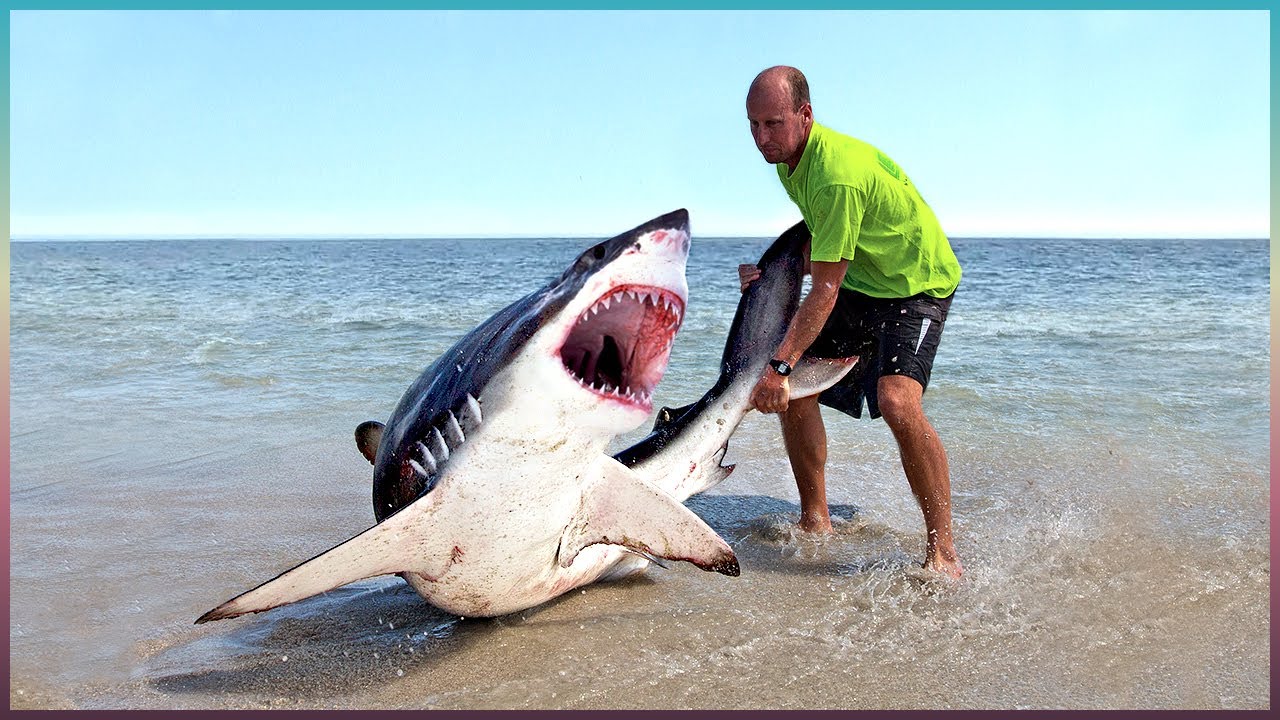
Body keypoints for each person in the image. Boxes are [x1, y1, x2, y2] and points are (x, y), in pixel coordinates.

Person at [739, 65, 964, 579]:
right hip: (864, 277)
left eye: (772, 124)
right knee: (797, 388)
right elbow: (815, 233)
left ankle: (943, 553)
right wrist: (774, 274)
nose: (761, 138)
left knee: (897, 402)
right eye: (752, 126)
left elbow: (824, 289)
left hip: (916, 280)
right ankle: (815, 520)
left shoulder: (835, 172)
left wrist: (777, 364)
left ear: (805, 115)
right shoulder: (789, 160)